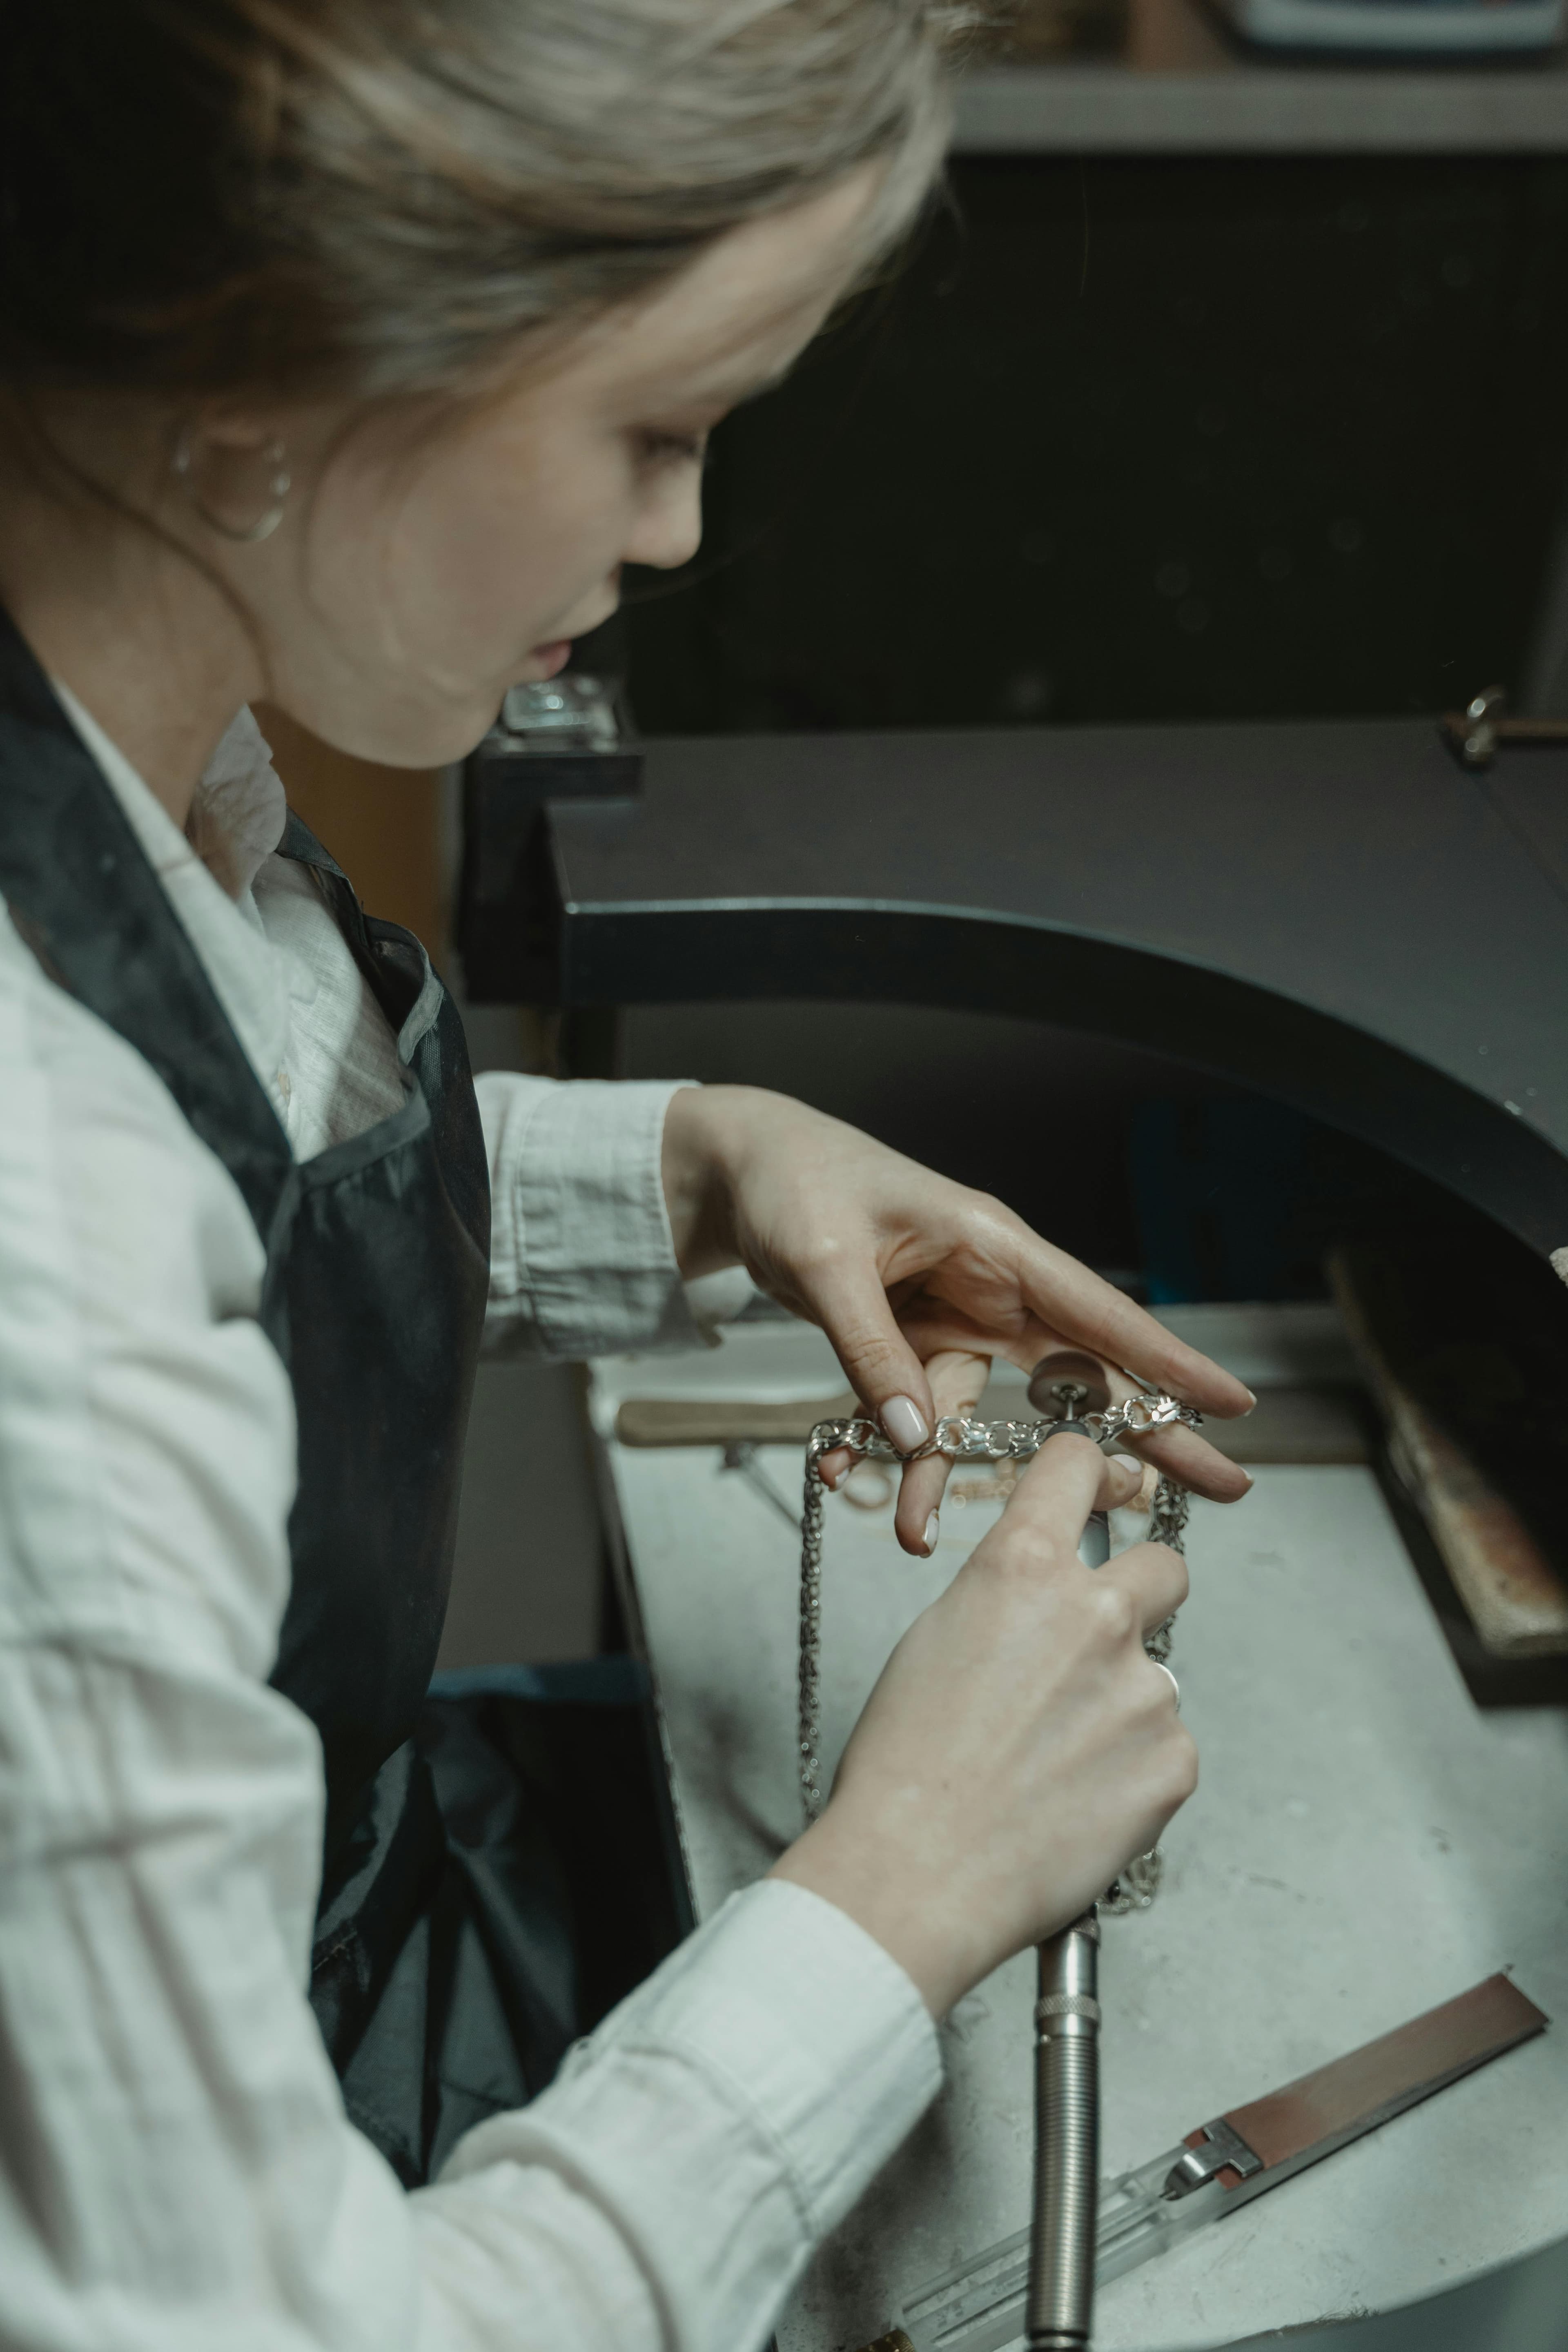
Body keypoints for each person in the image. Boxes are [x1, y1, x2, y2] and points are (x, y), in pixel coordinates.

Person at [0, 5, 1255, 2348]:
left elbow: (214, 1135)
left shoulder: (129, 753)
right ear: (277, 351)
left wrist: (680, 1169)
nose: (679, 530)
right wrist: (910, 1893)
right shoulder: (36, 1244)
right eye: (656, 430)